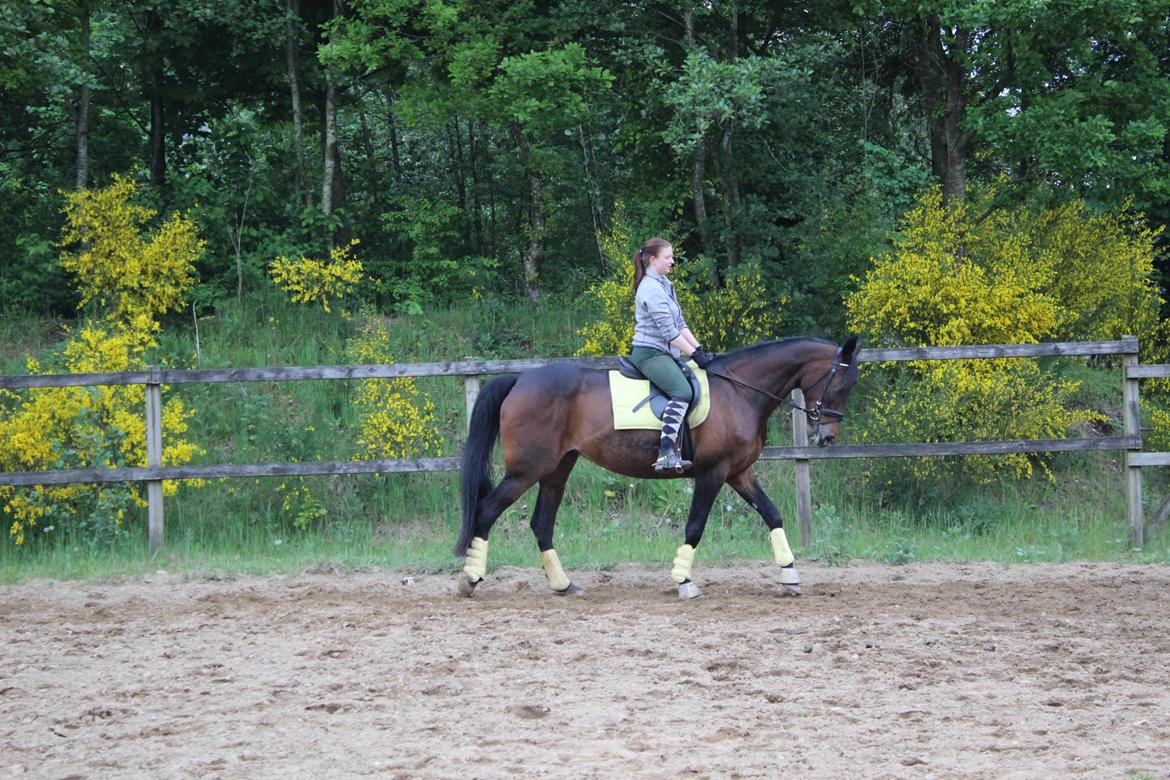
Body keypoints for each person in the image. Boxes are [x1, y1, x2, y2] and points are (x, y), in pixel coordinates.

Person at [629, 237, 715, 473]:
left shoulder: (664, 284)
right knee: (682, 390)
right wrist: (693, 354)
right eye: (668, 257)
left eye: (672, 257)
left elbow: (680, 324)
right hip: (650, 353)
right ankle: (666, 452)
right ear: (653, 259)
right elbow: (668, 332)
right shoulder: (650, 287)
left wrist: (698, 350)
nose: (673, 261)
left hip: (666, 352)